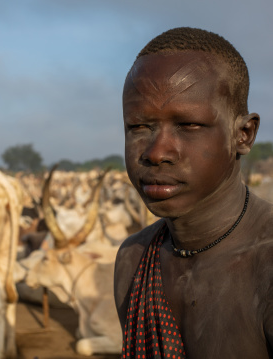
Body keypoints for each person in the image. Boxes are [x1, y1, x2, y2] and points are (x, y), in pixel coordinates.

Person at [114, 27, 273, 358]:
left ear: (243, 135)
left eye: (188, 125)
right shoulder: (134, 259)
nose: (157, 153)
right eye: (139, 127)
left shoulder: (267, 265)